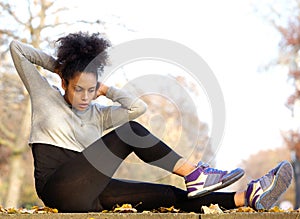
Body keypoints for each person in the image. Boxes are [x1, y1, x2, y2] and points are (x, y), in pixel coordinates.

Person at [9, 32, 293, 213]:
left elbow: (137, 107)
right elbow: (17, 49)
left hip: (87, 191)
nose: (84, 97)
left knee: (166, 195)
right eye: (77, 88)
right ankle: (195, 173)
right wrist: (66, 66)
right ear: (63, 83)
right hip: (57, 186)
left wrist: (105, 90)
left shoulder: (98, 113)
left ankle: (247, 197)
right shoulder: (46, 96)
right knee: (128, 133)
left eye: (90, 90)